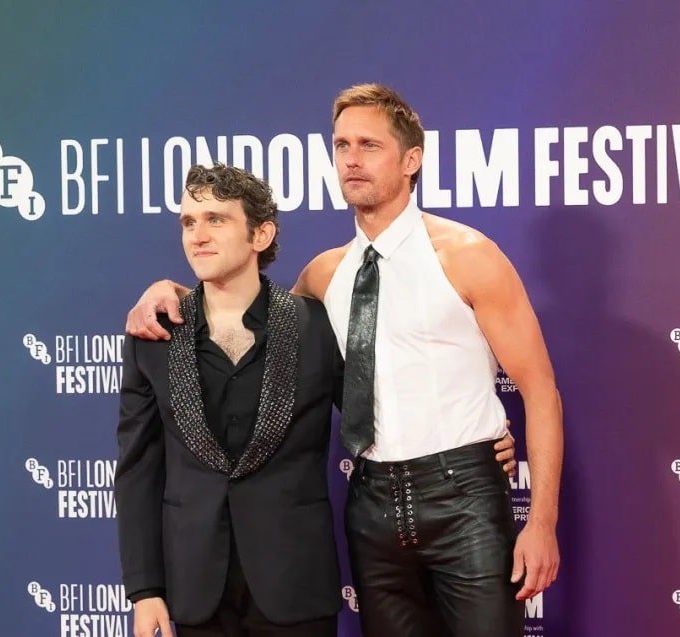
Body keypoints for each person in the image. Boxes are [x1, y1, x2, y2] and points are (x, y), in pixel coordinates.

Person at [126, 84, 561, 637]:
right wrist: (167, 290)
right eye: (341, 145)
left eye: (369, 145)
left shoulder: (468, 256)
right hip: (371, 503)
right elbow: (243, 309)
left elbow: (540, 389)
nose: (352, 159)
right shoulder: (323, 276)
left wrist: (540, 519)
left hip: (465, 499)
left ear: (411, 160)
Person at [114, 163, 343, 637]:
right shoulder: (153, 334)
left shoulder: (317, 326)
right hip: (196, 589)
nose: (198, 235)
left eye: (216, 219)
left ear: (261, 234)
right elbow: (137, 470)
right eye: (188, 222)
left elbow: (373, 421)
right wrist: (144, 589)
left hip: (295, 583)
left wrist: (475, 439)